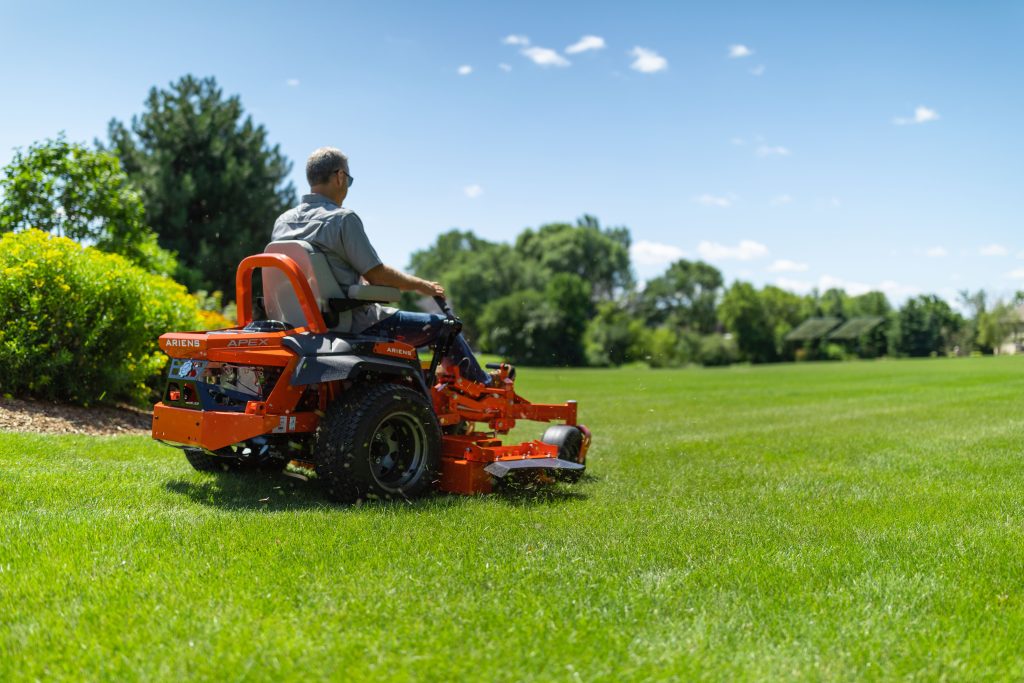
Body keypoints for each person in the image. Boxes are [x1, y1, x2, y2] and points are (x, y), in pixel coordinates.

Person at [271, 146, 493, 385]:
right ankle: (483, 387)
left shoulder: (283, 222)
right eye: (348, 180)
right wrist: (423, 286)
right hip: (354, 324)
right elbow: (378, 276)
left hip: (302, 324)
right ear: (340, 177)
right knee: (445, 328)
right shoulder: (342, 219)